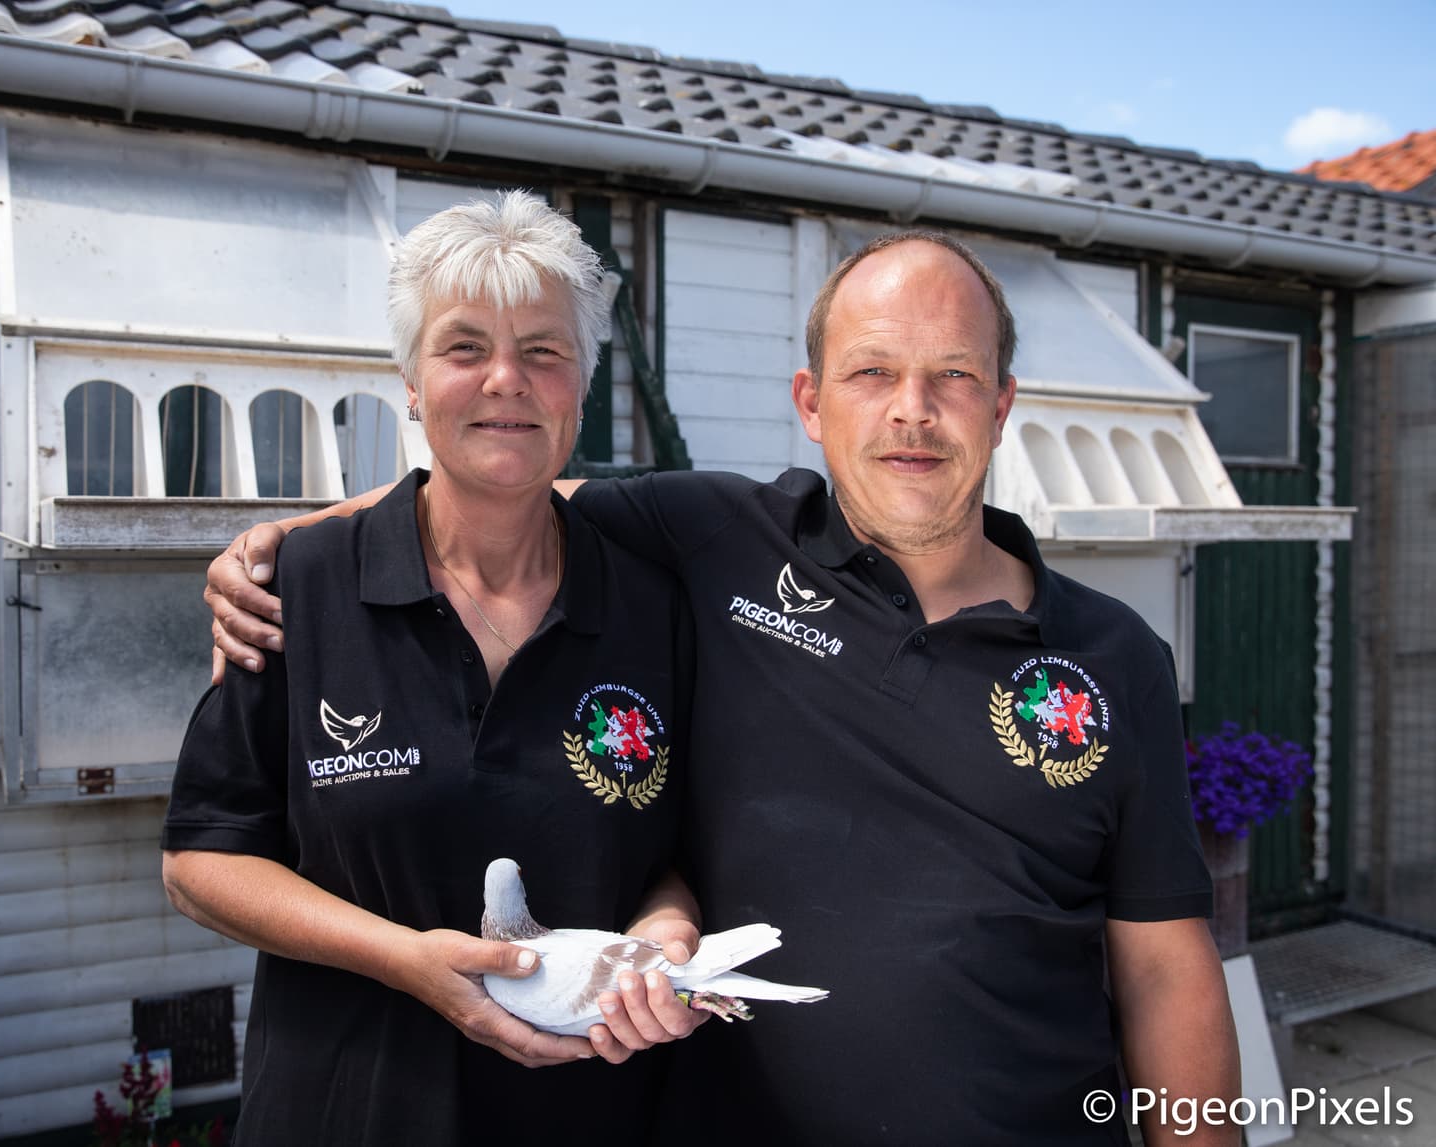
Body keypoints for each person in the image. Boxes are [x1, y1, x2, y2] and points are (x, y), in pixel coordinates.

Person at [204, 230, 1242, 1145]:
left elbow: (1163, 967)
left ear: (1003, 404)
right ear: (810, 403)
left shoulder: (1113, 659)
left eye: (954, 375)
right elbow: (502, 467)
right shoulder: (718, 542)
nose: (912, 413)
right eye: (872, 371)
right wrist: (289, 544)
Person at [161, 192, 706, 1147]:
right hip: (343, 1111)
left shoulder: (655, 606)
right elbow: (201, 861)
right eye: (464, 348)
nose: (507, 379)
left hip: (593, 1112)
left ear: (581, 382)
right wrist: (403, 957)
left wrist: (667, 937)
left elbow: (674, 856)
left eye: (544, 350)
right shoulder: (298, 587)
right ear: (410, 381)